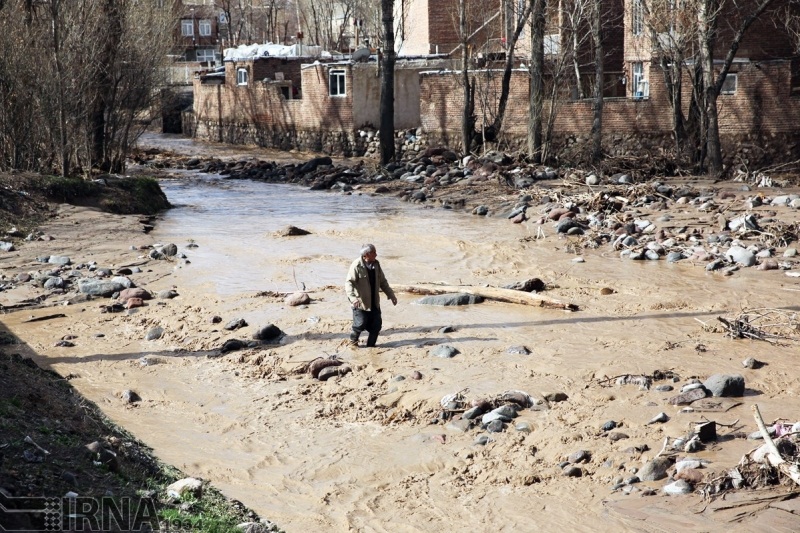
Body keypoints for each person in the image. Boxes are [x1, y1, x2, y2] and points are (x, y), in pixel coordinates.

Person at [345, 243, 397, 347]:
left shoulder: (376, 265)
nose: (376, 255)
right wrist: (353, 298)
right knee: (359, 324)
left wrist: (391, 295)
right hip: (361, 303)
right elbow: (349, 283)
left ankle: (371, 346)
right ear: (366, 255)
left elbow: (383, 282)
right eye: (374, 253)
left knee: (377, 326)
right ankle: (353, 343)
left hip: (374, 302)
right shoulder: (356, 265)